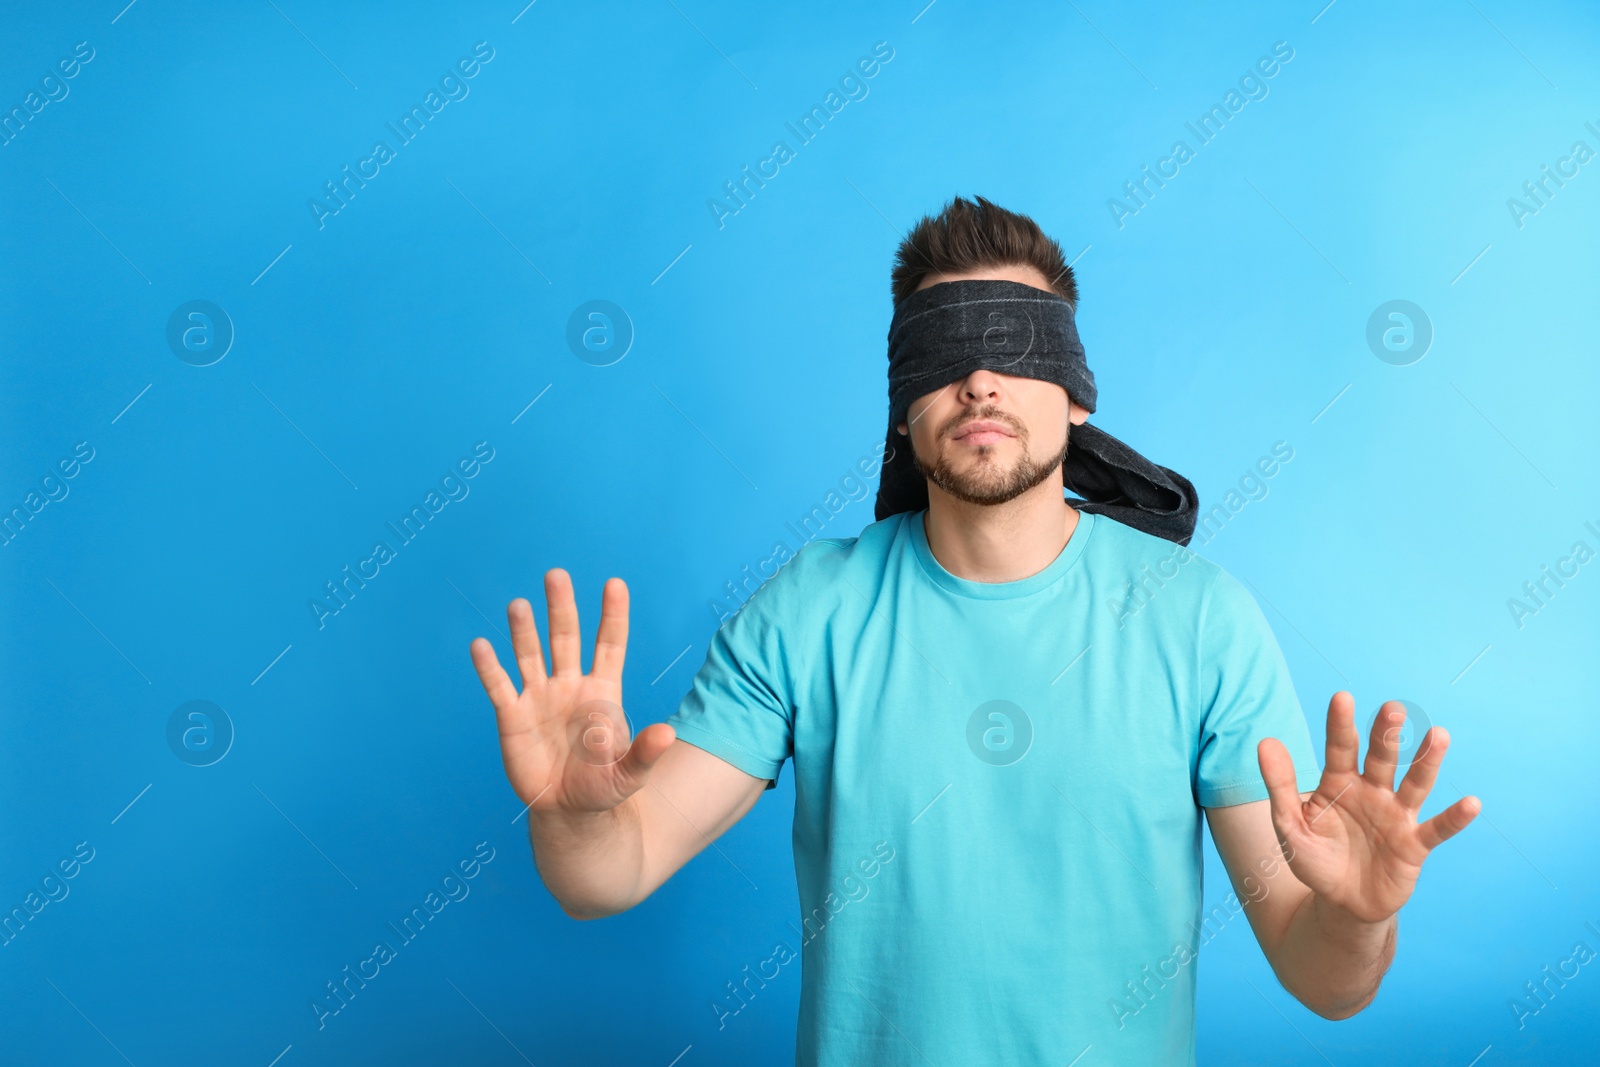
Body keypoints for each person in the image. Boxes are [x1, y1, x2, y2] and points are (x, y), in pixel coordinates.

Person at [468, 196, 1481, 1066]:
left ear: (1076, 394)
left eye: (1014, 348)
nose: (979, 381)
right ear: (902, 409)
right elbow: (607, 874)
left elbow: (1322, 979)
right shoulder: (809, 610)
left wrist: (1356, 912)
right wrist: (573, 815)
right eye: (944, 354)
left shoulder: (1199, 618)